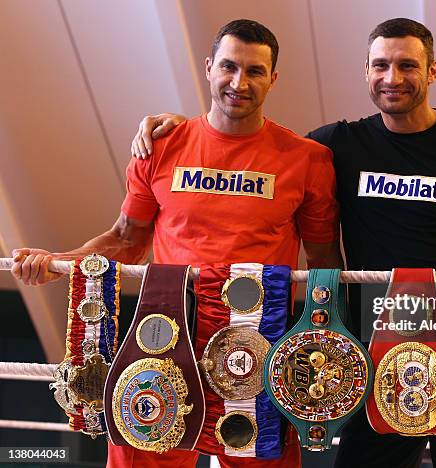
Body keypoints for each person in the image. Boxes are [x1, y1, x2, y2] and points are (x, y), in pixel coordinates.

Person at [128, 17, 436, 468]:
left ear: (433, 71)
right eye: (380, 65)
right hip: (378, 342)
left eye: (407, 65)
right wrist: (182, 131)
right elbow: (250, 146)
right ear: (365, 71)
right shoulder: (337, 146)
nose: (392, 78)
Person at [11, 19, 343, 468]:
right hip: (165, 333)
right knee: (138, 451)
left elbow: (324, 261)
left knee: (260, 459)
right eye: (228, 66)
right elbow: (126, 241)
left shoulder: (307, 160)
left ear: (273, 79)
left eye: (254, 71)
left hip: (255, 339)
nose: (239, 82)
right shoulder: (162, 147)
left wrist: (314, 344)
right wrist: (58, 262)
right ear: (208, 68)